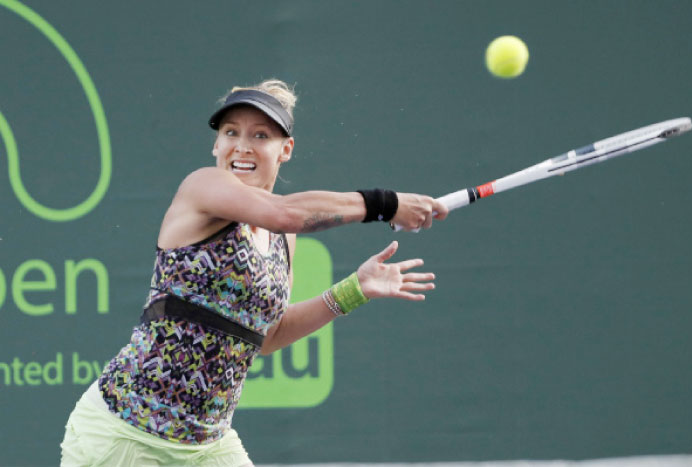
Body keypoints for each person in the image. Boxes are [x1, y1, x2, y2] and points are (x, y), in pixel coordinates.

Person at [60, 79, 448, 466]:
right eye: (231, 132)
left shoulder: (283, 237)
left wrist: (353, 290)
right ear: (216, 144)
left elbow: (267, 336)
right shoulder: (204, 186)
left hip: (210, 445)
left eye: (260, 135)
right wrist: (385, 204)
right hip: (124, 437)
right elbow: (285, 212)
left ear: (285, 150)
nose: (242, 146)